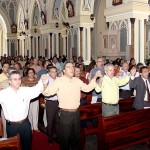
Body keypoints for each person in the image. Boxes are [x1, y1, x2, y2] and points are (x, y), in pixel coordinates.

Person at [42, 62, 100, 150]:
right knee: (65, 139)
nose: (72, 68)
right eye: (69, 67)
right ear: (64, 71)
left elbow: (87, 88)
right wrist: (45, 83)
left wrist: (95, 78)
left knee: (76, 138)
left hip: (76, 112)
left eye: (72, 66)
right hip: (66, 114)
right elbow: (47, 93)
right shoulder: (59, 81)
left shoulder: (76, 80)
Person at [0, 70, 48, 150]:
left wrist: (42, 80)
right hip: (12, 126)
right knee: (13, 147)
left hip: (25, 124)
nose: (18, 81)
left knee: (27, 145)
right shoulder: (3, 94)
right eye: (15, 79)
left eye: (19, 79)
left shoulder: (25, 90)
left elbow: (36, 89)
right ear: (9, 81)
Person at [45, 66, 60, 144]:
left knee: (58, 121)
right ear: (49, 73)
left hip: (59, 102)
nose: (54, 73)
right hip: (50, 103)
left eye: (55, 71)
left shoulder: (59, 80)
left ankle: (58, 136)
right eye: (52, 71)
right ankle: (50, 138)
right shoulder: (47, 81)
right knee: (50, 121)